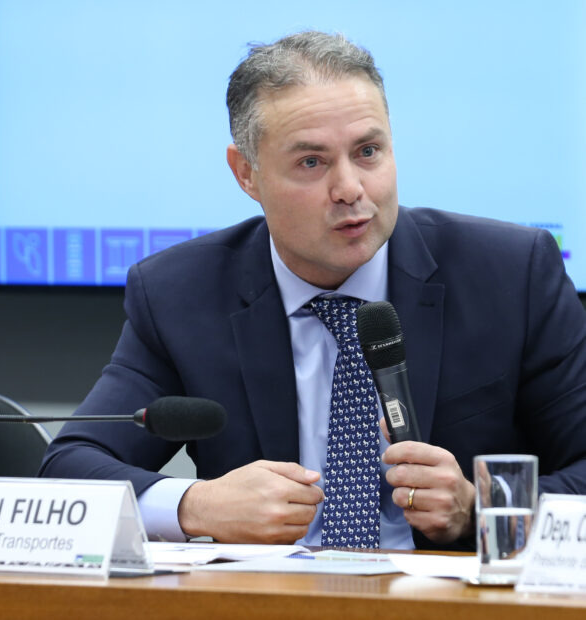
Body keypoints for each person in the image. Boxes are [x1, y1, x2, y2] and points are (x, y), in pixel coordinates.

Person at [39, 31, 586, 551]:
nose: (350, 189)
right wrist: (196, 505)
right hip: (270, 597)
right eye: (311, 162)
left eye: (368, 152)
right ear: (246, 174)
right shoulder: (181, 294)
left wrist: (480, 507)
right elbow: (69, 468)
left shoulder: (511, 276)